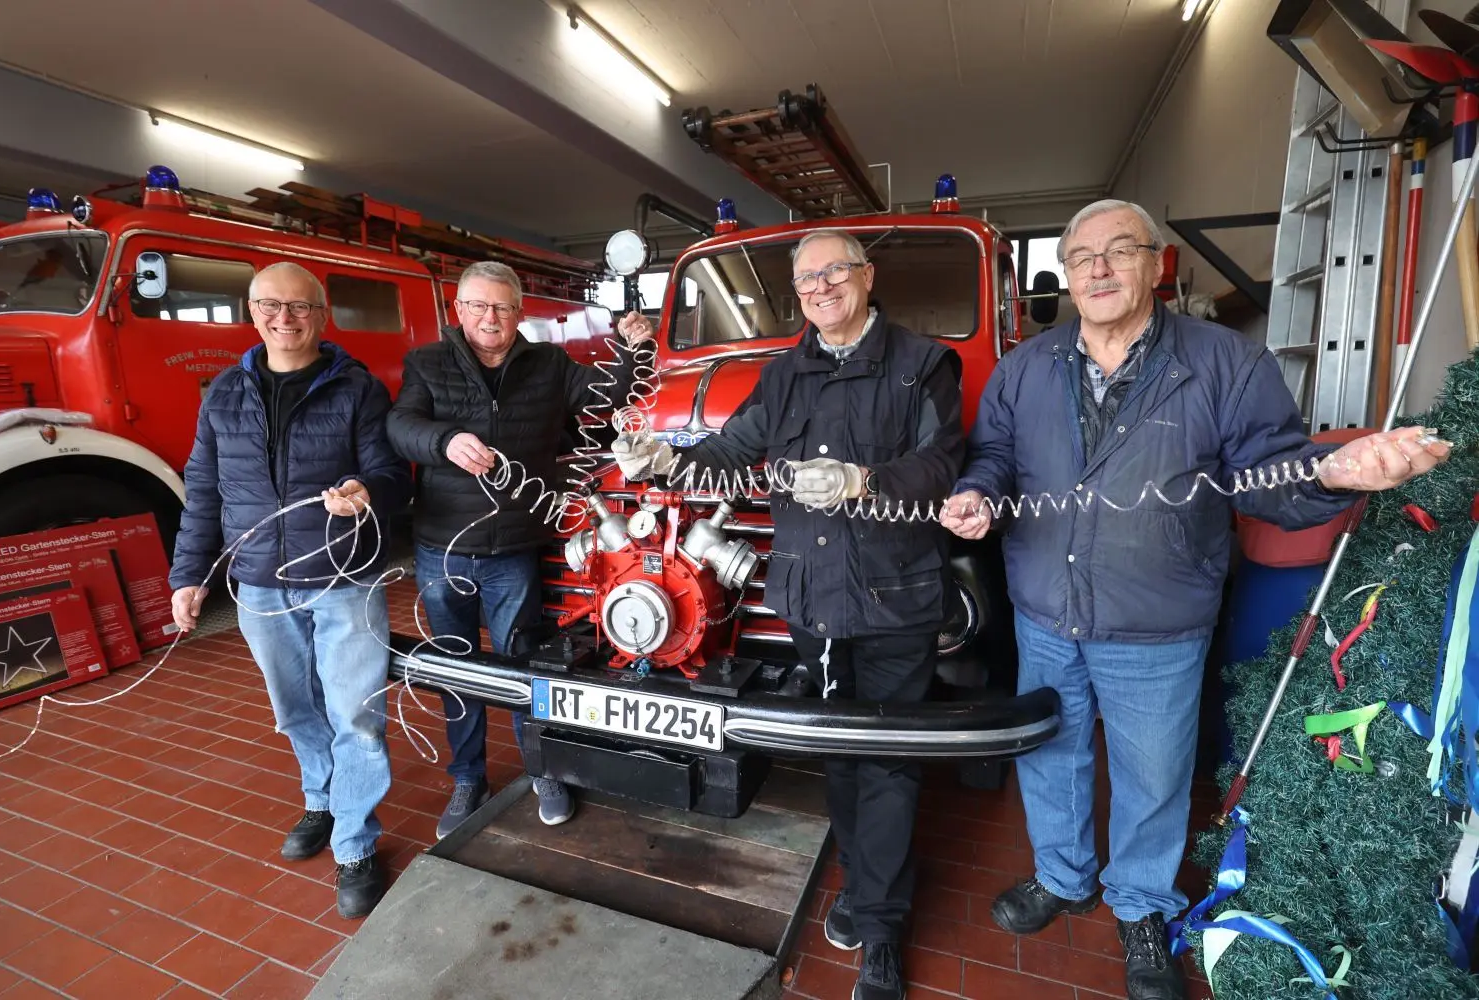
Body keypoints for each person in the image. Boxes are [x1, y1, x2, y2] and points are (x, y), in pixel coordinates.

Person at [940, 199, 1450, 1000]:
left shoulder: (1225, 364)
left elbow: (1268, 477)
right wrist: (976, 489)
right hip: (1044, 608)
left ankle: (1141, 907)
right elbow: (996, 452)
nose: (1099, 269)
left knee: (1152, 775)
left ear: (1155, 264)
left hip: (1157, 621)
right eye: (1082, 258)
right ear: (1066, 276)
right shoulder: (1026, 368)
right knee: (1050, 753)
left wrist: (1333, 473)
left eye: (1119, 252)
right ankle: (1062, 875)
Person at [612, 229, 964, 1000]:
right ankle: (866, 886)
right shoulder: (785, 372)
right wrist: (666, 460)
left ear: (867, 278)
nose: (821, 287)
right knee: (839, 752)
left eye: (836, 271)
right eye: (806, 279)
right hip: (809, 601)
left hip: (892, 600)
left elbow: (942, 466)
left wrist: (864, 481)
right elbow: (735, 449)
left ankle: (879, 924)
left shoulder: (923, 364)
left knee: (890, 763)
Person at [169, 261, 410, 919]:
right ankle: (322, 801)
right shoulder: (222, 393)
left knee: (356, 716)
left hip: (342, 581)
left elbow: (391, 473)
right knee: (295, 710)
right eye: (271, 305)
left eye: (299, 307)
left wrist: (366, 494)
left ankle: (355, 844)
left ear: (320, 316)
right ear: (252, 311)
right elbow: (205, 494)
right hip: (258, 587)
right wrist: (188, 577)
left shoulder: (357, 388)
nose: (285, 317)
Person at [385, 261, 651, 838]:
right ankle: (467, 776)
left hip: (516, 546)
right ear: (458, 311)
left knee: (525, 666)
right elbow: (400, 425)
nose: (490, 318)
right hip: (443, 547)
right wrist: (443, 441)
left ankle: (542, 768)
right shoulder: (426, 363)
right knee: (457, 668)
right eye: (478, 306)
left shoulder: (549, 363)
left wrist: (633, 351)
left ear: (518, 314)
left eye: (502, 307)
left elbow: (604, 395)